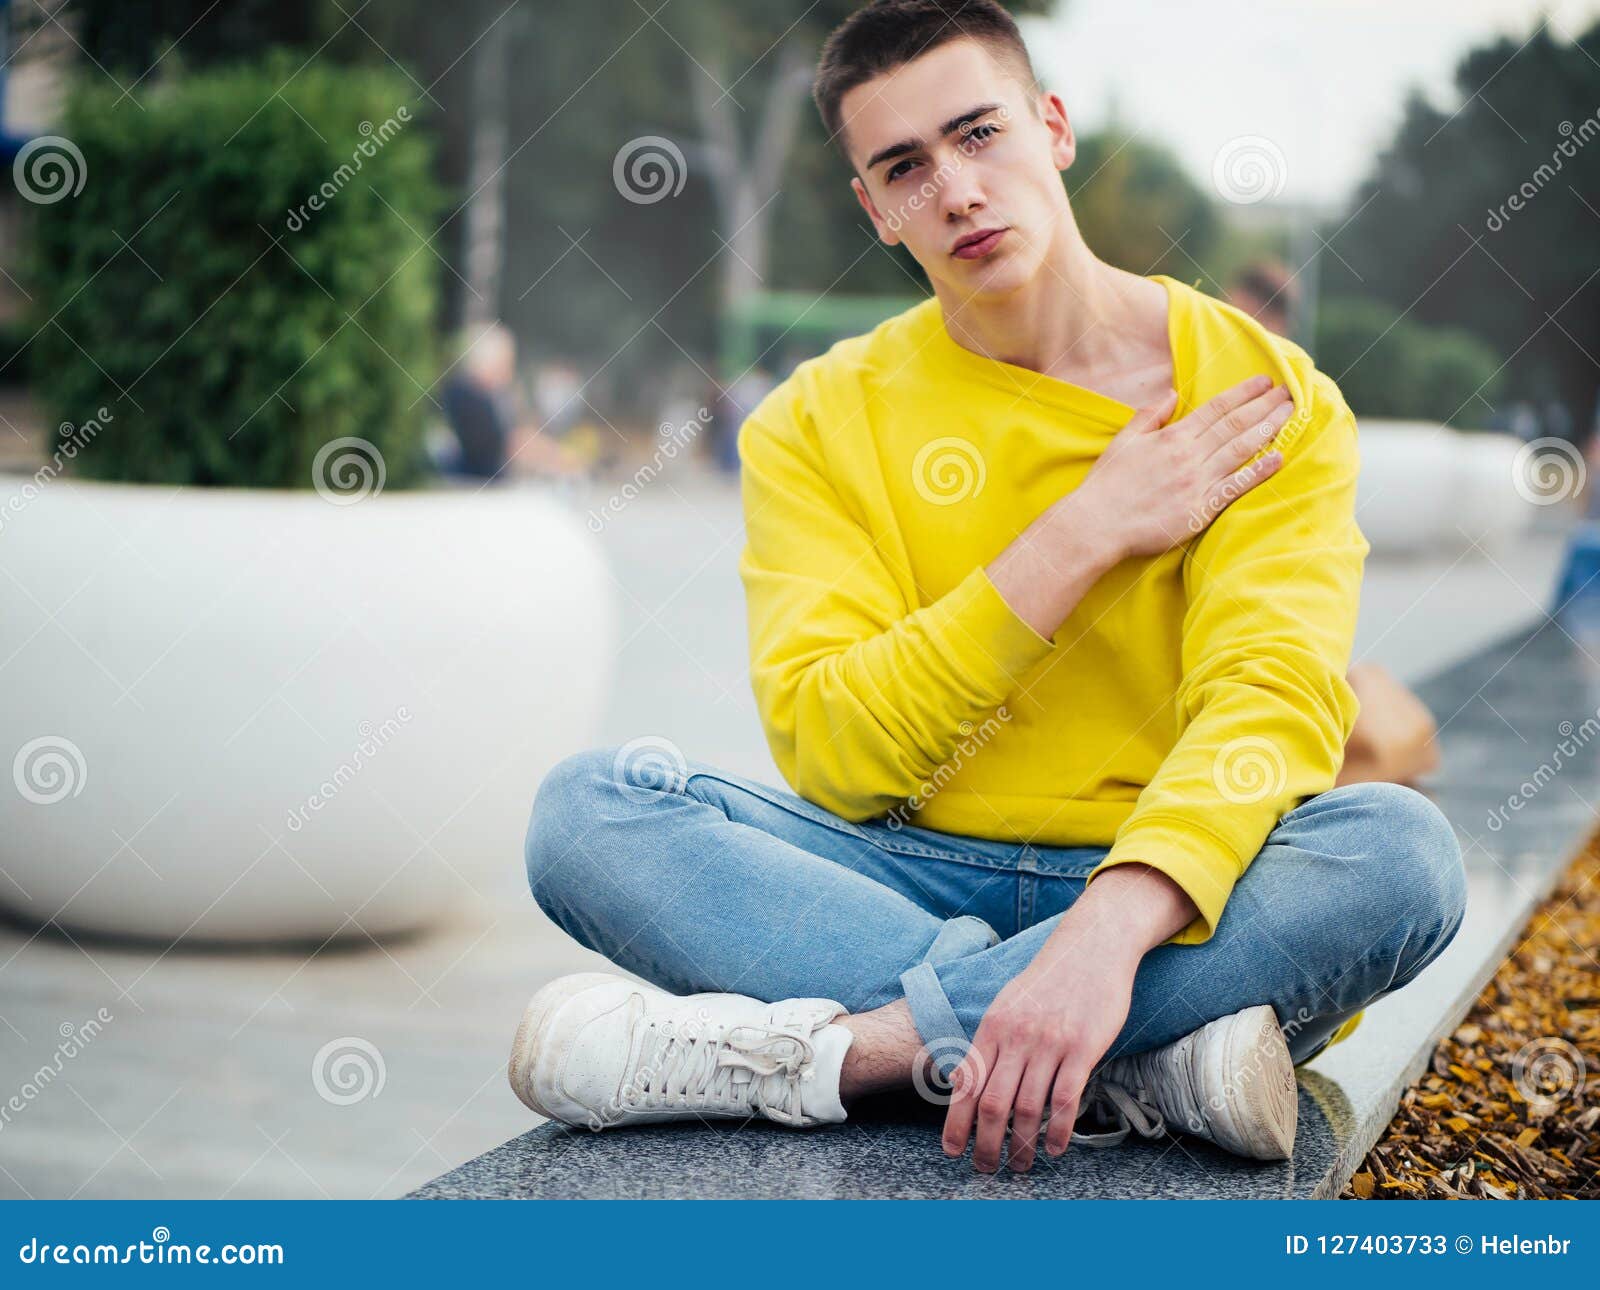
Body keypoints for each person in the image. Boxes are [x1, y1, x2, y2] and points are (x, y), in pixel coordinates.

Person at [511, 0, 1467, 1174]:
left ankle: (853, 1056)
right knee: (592, 810)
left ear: (1053, 128)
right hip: (900, 866)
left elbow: (1266, 699)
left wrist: (1100, 942)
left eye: (979, 134)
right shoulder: (816, 420)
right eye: (903, 167)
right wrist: (1080, 533)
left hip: (1165, 892)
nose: (954, 190)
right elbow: (833, 746)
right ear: (871, 209)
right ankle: (1140, 1061)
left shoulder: (1258, 394)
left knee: (1398, 854)